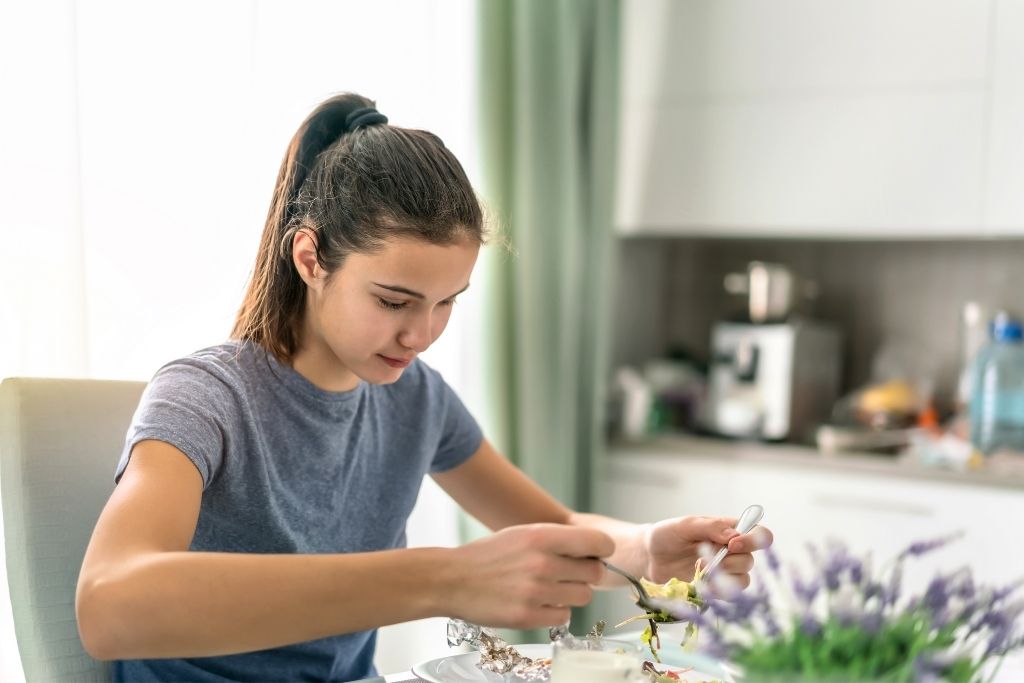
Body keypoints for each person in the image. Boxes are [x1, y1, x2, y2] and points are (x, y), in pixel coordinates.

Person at [76, 92, 773, 682]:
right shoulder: (205, 396)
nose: (422, 333)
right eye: (394, 300)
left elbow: (556, 528)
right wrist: (440, 578)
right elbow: (108, 604)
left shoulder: (415, 398)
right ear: (309, 256)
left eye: (447, 302)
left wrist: (644, 549)